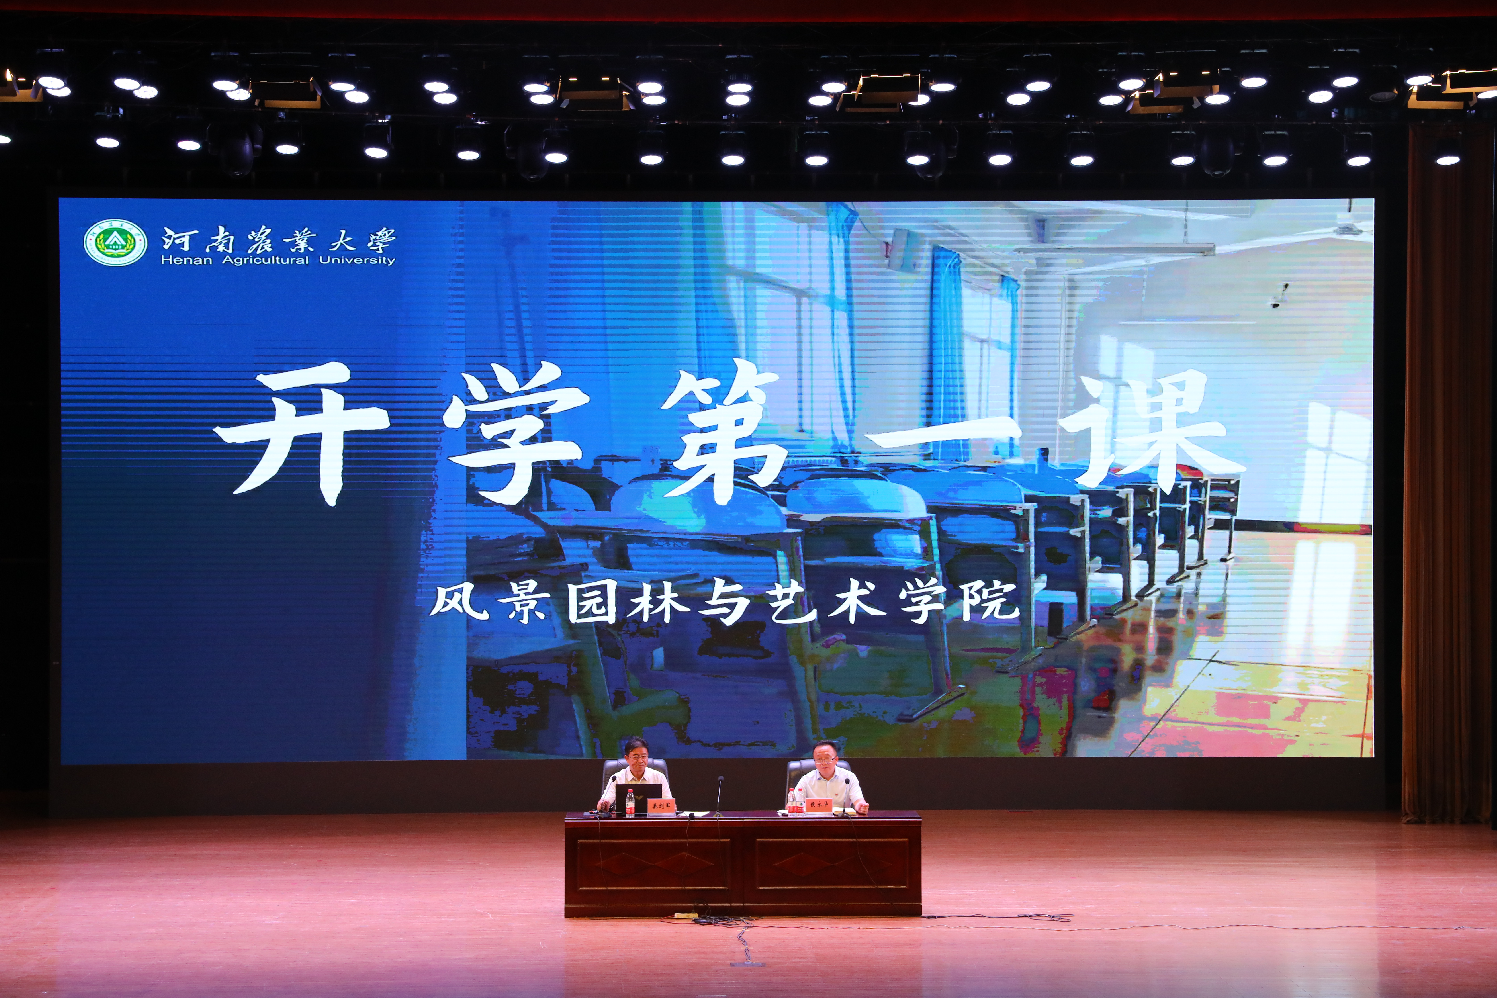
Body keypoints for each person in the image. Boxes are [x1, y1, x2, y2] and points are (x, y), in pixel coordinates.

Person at [597, 736, 673, 811]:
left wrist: (671, 807)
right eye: (636, 757)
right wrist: (603, 805)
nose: (640, 761)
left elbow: (669, 806)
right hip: (624, 818)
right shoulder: (617, 778)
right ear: (627, 758)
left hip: (653, 818)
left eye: (643, 756)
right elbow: (604, 802)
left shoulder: (659, 777)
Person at [793, 741, 869, 815]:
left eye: (827, 758)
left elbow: (858, 800)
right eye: (819, 759)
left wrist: (860, 806)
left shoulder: (849, 777)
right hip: (813, 821)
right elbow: (792, 805)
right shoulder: (806, 780)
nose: (823, 763)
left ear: (836, 760)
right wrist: (794, 806)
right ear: (815, 762)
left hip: (841, 821)